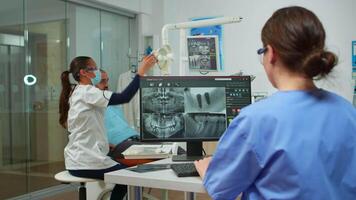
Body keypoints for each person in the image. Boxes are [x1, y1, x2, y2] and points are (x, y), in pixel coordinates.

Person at [194, 6, 356, 200]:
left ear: (271, 53)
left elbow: (222, 188)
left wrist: (207, 172)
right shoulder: (348, 112)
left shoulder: (255, 120)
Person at [59, 55, 156, 200]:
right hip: (86, 163)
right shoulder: (88, 92)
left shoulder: (79, 92)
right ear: (83, 72)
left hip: (78, 160)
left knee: (126, 175)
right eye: (94, 68)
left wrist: (103, 144)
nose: (98, 72)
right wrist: (141, 72)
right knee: (131, 177)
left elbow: (85, 128)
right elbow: (124, 97)